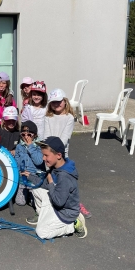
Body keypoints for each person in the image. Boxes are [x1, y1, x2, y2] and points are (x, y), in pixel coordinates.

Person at [25, 136, 87, 240]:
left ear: (58, 155)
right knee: (36, 188)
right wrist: (30, 176)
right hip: (58, 202)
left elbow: (58, 202)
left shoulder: (64, 176)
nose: (43, 158)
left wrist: (50, 182)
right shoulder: (56, 167)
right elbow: (44, 184)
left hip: (66, 213)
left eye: (46, 155)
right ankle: (42, 215)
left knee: (41, 232)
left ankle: (72, 225)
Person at [44, 88, 92, 219]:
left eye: (59, 101)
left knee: (67, 183)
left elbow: (64, 139)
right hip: (50, 153)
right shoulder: (48, 117)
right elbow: (46, 135)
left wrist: (54, 152)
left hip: (61, 155)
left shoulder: (70, 118)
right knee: (51, 181)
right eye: (53, 102)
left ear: (65, 101)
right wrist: (49, 152)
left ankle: (76, 205)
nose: (56, 104)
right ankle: (50, 208)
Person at [14, 121, 45, 206]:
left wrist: (31, 146)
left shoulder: (39, 146)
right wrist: (19, 171)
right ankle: (24, 194)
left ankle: (31, 195)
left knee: (35, 203)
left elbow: (38, 161)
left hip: (34, 177)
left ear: (34, 135)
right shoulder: (19, 146)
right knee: (20, 202)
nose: (26, 137)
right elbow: (16, 161)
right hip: (22, 177)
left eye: (29, 135)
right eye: (23, 135)